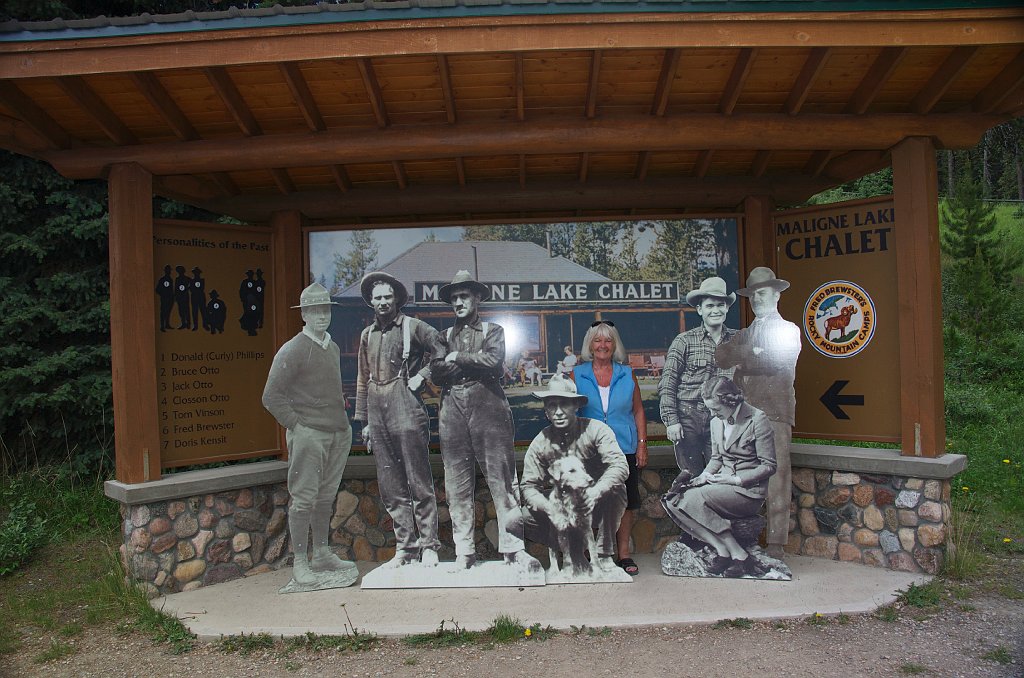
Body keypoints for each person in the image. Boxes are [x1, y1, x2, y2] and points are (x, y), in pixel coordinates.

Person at [430, 271, 540, 571]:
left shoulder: (494, 329)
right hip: (452, 408)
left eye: (464, 296)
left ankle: (514, 548)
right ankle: (464, 552)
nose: (459, 302)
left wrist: (457, 359)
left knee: (501, 478)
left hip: (488, 406)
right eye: (454, 298)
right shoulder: (444, 336)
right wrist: (460, 361)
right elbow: (436, 371)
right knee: (456, 483)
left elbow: (493, 362)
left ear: (477, 298)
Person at [262, 283, 353, 585]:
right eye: (314, 310)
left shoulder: (333, 346)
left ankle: (322, 553)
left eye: (325, 309)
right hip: (309, 434)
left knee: (325, 497)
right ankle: (301, 561)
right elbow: (271, 396)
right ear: (304, 314)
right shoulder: (294, 349)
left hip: (337, 433)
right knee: (303, 499)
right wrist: (297, 426)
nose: (321, 315)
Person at [355, 271, 444, 568]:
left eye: (387, 297)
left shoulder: (412, 326)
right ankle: (406, 547)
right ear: (370, 301)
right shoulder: (367, 335)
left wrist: (423, 375)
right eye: (377, 297)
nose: (383, 302)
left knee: (418, 480)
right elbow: (363, 378)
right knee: (390, 484)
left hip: (406, 409)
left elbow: (441, 347)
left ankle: (430, 545)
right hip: (377, 411)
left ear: (396, 299)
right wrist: (365, 420)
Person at [716, 267, 801, 560]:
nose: (756, 300)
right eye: (752, 295)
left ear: (776, 294)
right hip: (745, 417)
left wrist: (746, 356)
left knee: (776, 478)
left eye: (762, 294)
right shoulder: (745, 333)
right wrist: (755, 353)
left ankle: (776, 545)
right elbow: (721, 356)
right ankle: (744, 541)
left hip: (776, 414)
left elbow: (780, 360)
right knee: (741, 477)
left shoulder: (789, 330)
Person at [662, 376, 774, 578]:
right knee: (672, 500)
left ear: (731, 402)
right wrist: (704, 476)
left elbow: (768, 466)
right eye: (710, 410)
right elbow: (717, 458)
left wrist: (735, 480)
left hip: (748, 492)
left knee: (694, 498)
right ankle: (723, 550)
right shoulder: (716, 422)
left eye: (717, 410)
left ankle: (738, 554)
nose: (713, 414)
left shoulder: (758, 419)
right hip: (721, 486)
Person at [521, 374, 629, 574]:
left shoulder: (596, 430)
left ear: (576, 406)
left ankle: (605, 555)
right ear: (546, 411)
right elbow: (528, 486)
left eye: (565, 405)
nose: (558, 412)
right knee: (518, 519)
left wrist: (596, 492)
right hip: (561, 509)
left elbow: (620, 466)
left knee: (617, 490)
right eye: (552, 406)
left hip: (594, 505)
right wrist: (549, 507)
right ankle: (571, 554)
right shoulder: (540, 442)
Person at [571, 320, 647, 576]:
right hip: (589, 449)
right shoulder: (577, 374)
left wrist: (642, 445)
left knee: (625, 503)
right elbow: (568, 412)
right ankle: (586, 553)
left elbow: (638, 410)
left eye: (608, 340)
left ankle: (623, 554)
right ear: (590, 346)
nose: (603, 345)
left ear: (615, 345)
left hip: (623, 448)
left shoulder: (627, 374)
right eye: (597, 340)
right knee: (588, 501)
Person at [659, 276, 738, 476]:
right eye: (710, 305)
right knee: (691, 477)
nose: (715, 310)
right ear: (700, 309)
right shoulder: (684, 341)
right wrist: (672, 421)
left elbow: (749, 383)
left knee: (721, 476)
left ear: (727, 308)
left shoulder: (738, 342)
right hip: (688, 418)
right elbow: (668, 383)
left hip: (723, 419)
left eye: (720, 305)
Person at [155, 264, 174, 332]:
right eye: (168, 270)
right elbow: (157, 289)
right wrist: (163, 294)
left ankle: (167, 324)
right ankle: (162, 326)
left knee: (168, 312)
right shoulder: (162, 280)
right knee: (163, 312)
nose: (169, 272)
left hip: (170, 299)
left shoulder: (170, 279)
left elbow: (171, 290)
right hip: (164, 299)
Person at [189, 266, 208, 332]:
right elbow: (191, 289)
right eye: (195, 273)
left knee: (203, 311)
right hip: (194, 297)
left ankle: (205, 324)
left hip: (200, 297)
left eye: (197, 273)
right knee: (194, 312)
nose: (196, 274)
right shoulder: (191, 280)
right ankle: (195, 325)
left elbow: (201, 288)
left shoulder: (202, 280)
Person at [173, 265, 191, 329]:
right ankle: (183, 323)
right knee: (181, 310)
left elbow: (192, 284)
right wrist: (175, 297)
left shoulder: (187, 279)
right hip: (179, 297)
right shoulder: (177, 279)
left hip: (185, 296)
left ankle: (188, 323)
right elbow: (176, 288)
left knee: (186, 310)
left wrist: (187, 288)